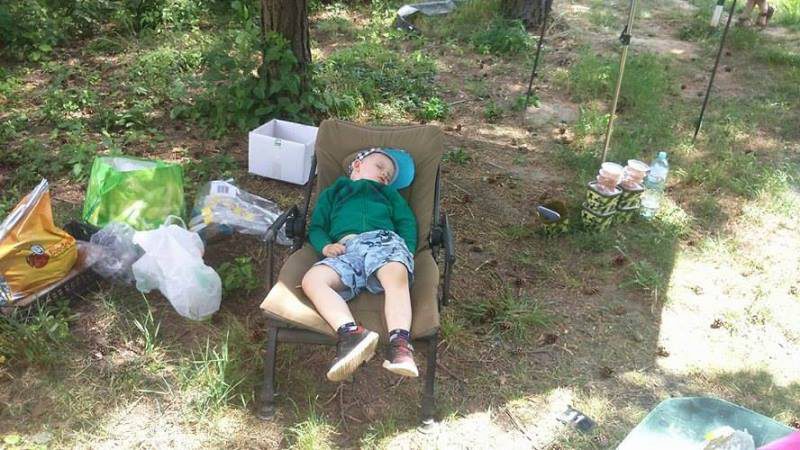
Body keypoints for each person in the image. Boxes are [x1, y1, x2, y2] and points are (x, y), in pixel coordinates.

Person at [301, 148, 418, 382]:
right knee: (312, 281)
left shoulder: (389, 195)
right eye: (380, 166)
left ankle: (400, 346)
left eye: (389, 175)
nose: (385, 174)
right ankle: (351, 335)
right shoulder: (335, 192)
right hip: (346, 248)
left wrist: (406, 252)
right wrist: (325, 246)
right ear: (357, 165)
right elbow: (317, 227)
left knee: (396, 275)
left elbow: (407, 223)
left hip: (382, 241)